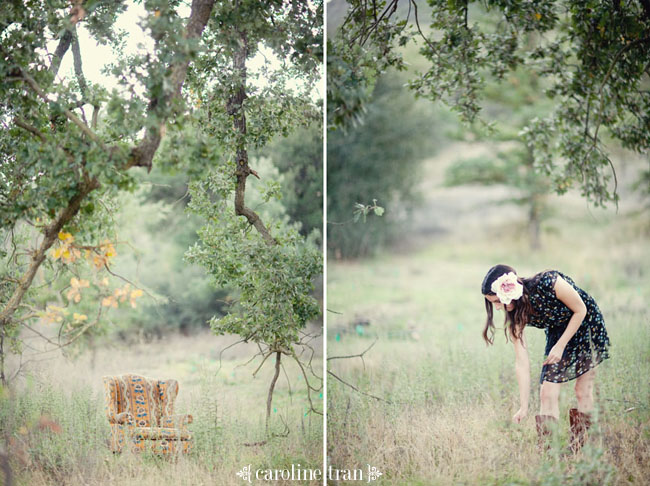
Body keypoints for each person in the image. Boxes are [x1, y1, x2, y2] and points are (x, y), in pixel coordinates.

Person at [481, 264, 610, 452]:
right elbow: (521, 362)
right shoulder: (515, 315)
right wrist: (523, 407)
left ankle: (581, 449)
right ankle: (550, 453)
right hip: (558, 332)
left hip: (586, 325)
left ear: (509, 287)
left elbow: (580, 309)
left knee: (582, 390)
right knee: (546, 393)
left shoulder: (547, 282)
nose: (498, 307)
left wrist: (561, 345)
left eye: (497, 300)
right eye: (493, 303)